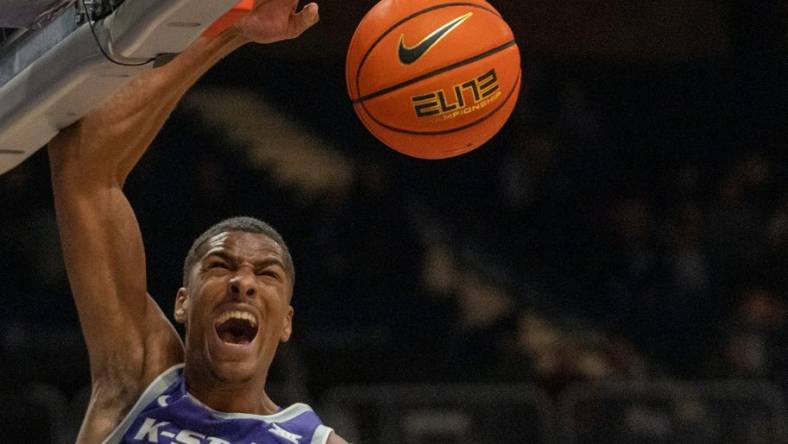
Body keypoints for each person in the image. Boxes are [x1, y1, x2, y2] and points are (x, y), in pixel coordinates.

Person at [46, 0, 348, 442]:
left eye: (266, 273)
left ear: (285, 322)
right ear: (183, 302)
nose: (242, 282)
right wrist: (231, 31)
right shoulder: (138, 376)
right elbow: (82, 165)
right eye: (220, 266)